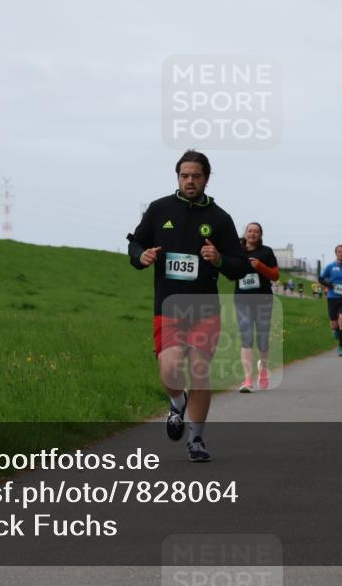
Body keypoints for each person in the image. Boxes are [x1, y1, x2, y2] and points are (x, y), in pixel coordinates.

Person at [127, 150, 249, 462]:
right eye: (184, 175)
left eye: (196, 176)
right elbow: (136, 243)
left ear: (206, 178)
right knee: (170, 371)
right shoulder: (159, 209)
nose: (190, 181)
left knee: (199, 371)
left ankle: (196, 439)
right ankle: (177, 402)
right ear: (178, 177)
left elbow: (240, 266)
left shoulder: (220, 219)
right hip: (168, 308)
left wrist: (219, 259)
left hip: (205, 309)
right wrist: (141, 256)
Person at [235, 222, 279, 393]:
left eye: (256, 231)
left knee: (262, 337)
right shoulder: (237, 251)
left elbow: (275, 276)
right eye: (249, 230)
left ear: (260, 235)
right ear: (245, 233)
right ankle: (247, 379)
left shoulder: (266, 252)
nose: (252, 234)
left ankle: (263, 370)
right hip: (242, 298)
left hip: (263, 298)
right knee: (246, 336)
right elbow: (230, 271)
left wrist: (259, 266)